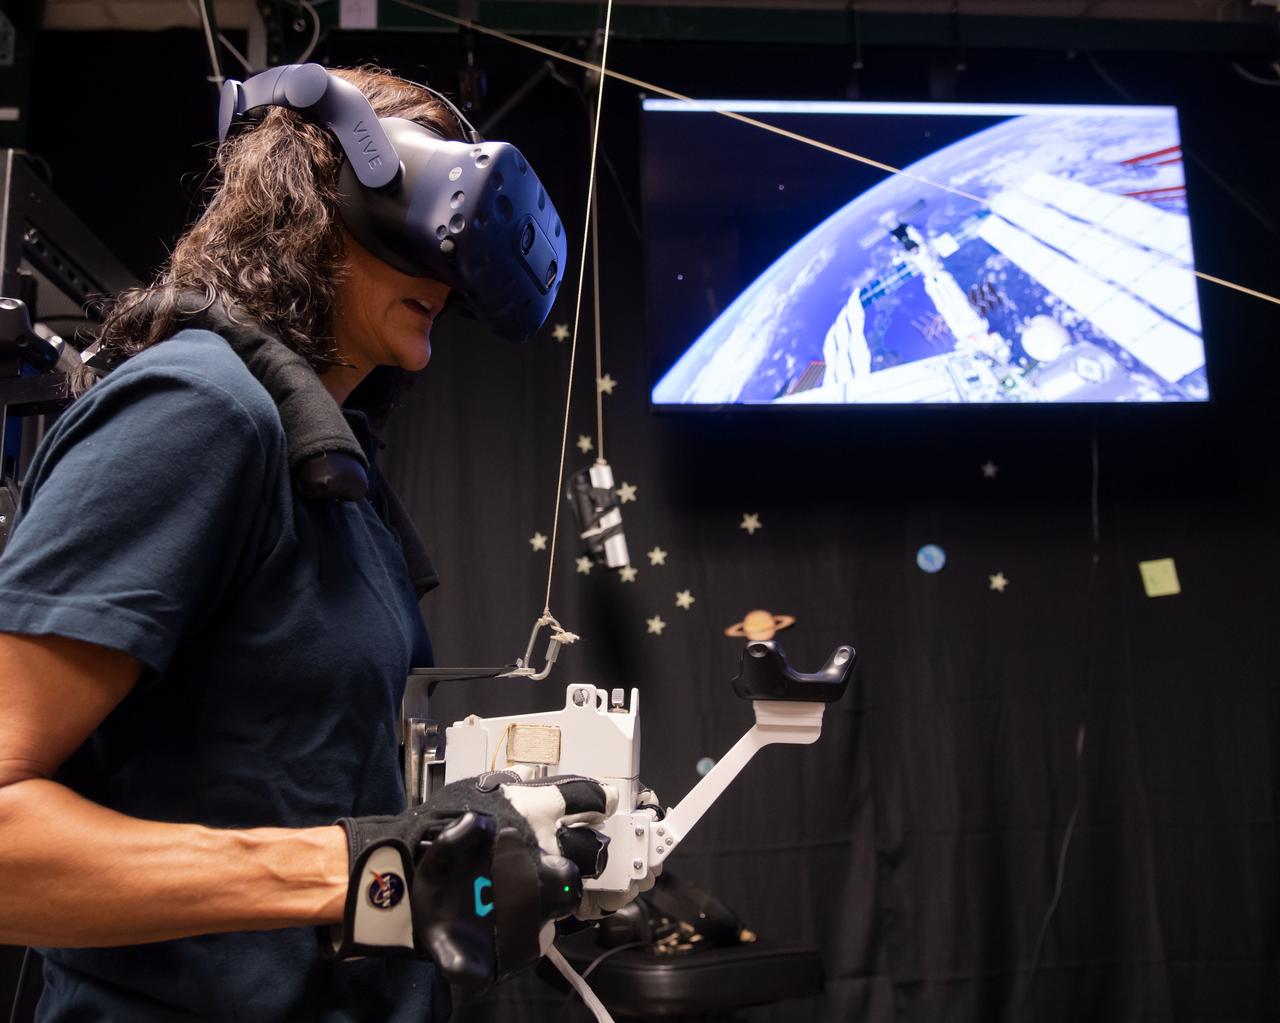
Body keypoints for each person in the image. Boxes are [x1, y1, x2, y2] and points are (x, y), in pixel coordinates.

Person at [0, 65, 634, 1021]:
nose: (451, 279)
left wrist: (459, 833)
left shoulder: (329, 464)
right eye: (438, 224)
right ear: (327, 188)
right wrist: (376, 868)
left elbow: (272, 776)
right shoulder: (200, 412)